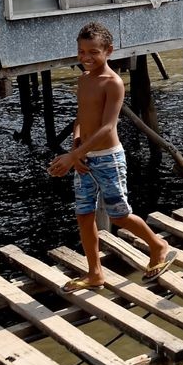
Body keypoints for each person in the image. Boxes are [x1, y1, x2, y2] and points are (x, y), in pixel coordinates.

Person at [49, 22, 176, 292]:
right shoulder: (83, 79)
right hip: (83, 157)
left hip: (108, 158)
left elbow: (108, 126)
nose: (86, 57)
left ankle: (158, 245)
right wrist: (76, 145)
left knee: (119, 216)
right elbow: (80, 119)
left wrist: (72, 156)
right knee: (83, 215)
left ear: (109, 51)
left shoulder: (113, 83)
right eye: (81, 51)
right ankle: (95, 273)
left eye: (93, 52)